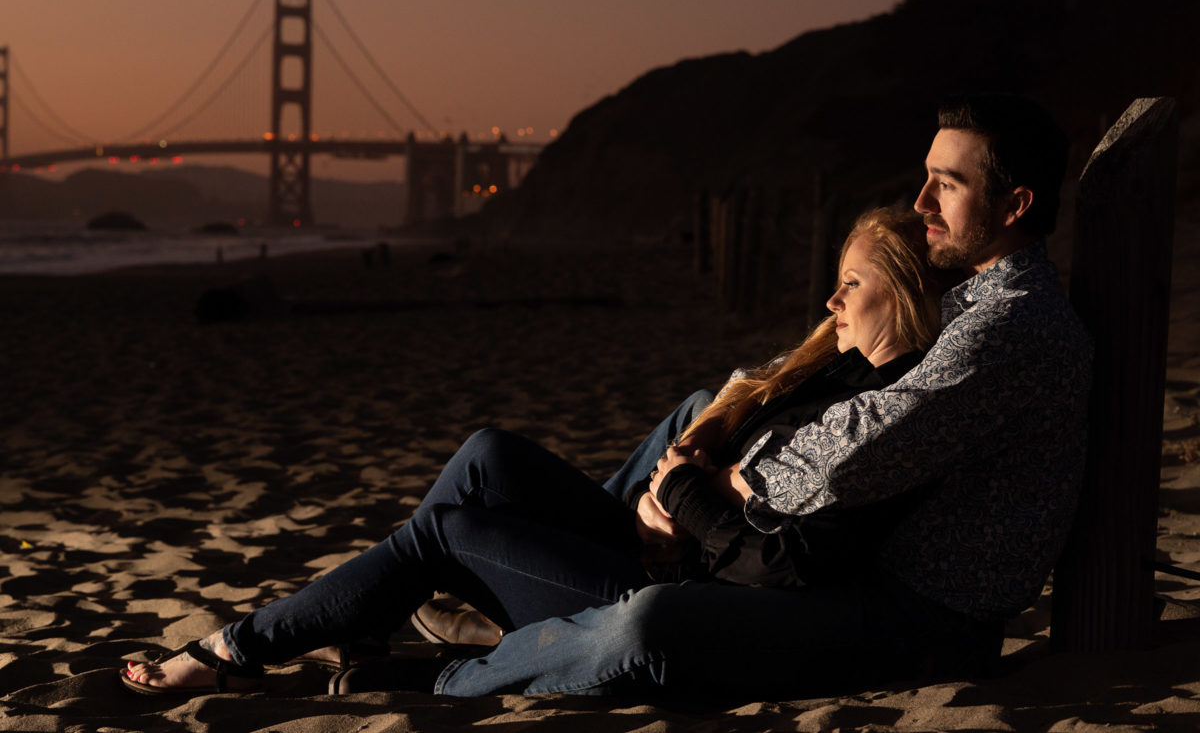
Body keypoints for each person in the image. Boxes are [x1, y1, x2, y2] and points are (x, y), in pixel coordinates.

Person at [120, 205, 949, 697]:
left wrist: (687, 503)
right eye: (836, 278)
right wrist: (683, 469)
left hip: (675, 581)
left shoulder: (884, 410)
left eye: (854, 283)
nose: (832, 297)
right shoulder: (829, 370)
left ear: (904, 294)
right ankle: (379, 618)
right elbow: (725, 429)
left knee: (446, 527)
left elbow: (791, 558)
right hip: (659, 537)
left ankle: (234, 649)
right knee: (487, 453)